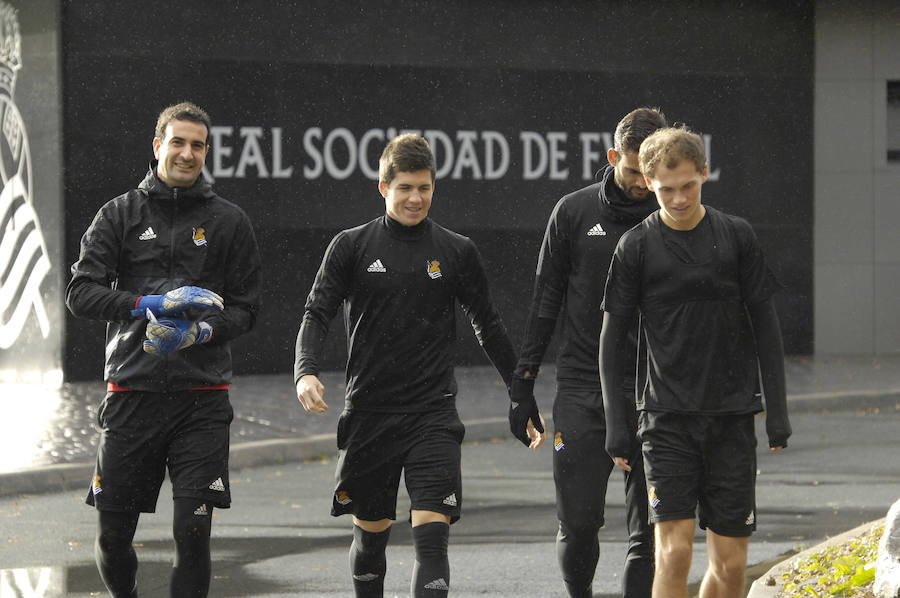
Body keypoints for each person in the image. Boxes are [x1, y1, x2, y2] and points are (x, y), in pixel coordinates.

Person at [294, 133, 545, 597]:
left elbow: (487, 325)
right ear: (383, 186)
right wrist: (305, 369)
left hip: (433, 415)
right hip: (370, 414)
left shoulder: (456, 250)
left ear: (433, 188)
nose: (415, 198)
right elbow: (317, 312)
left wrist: (520, 391)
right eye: (405, 187)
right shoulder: (350, 246)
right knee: (371, 540)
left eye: (424, 188)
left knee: (432, 540)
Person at [66, 101, 262, 598]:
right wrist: (146, 303)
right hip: (132, 392)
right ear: (157, 146)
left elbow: (245, 309)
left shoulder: (229, 221)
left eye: (198, 145)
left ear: (206, 152)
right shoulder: (119, 213)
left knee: (193, 533)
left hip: (203, 399)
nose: (187, 153)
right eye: (177, 142)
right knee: (113, 537)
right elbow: (81, 293)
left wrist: (199, 334)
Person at [599, 126, 792, 598]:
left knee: (729, 564)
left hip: (730, 418)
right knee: (674, 551)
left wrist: (778, 413)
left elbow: (767, 329)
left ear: (704, 173)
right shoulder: (635, 247)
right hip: (665, 420)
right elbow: (610, 343)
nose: (679, 198)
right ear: (647, 183)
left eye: (688, 185)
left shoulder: (736, 236)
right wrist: (616, 424)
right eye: (666, 189)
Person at [512, 107, 666, 598]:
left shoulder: (674, 213)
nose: (644, 182)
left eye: (652, 171)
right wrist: (523, 386)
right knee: (578, 524)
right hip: (582, 386)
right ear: (612, 156)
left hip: (656, 389)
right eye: (634, 169)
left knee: (651, 534)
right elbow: (544, 303)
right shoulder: (574, 212)